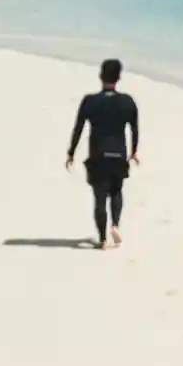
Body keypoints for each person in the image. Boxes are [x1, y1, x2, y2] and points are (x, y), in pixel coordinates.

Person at [65, 59, 140, 249]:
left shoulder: (90, 101)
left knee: (99, 197)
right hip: (118, 155)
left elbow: (78, 129)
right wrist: (133, 152)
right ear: (119, 78)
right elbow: (134, 129)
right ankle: (115, 225)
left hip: (98, 156)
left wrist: (71, 152)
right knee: (116, 191)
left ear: (100, 76)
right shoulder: (127, 102)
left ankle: (103, 240)